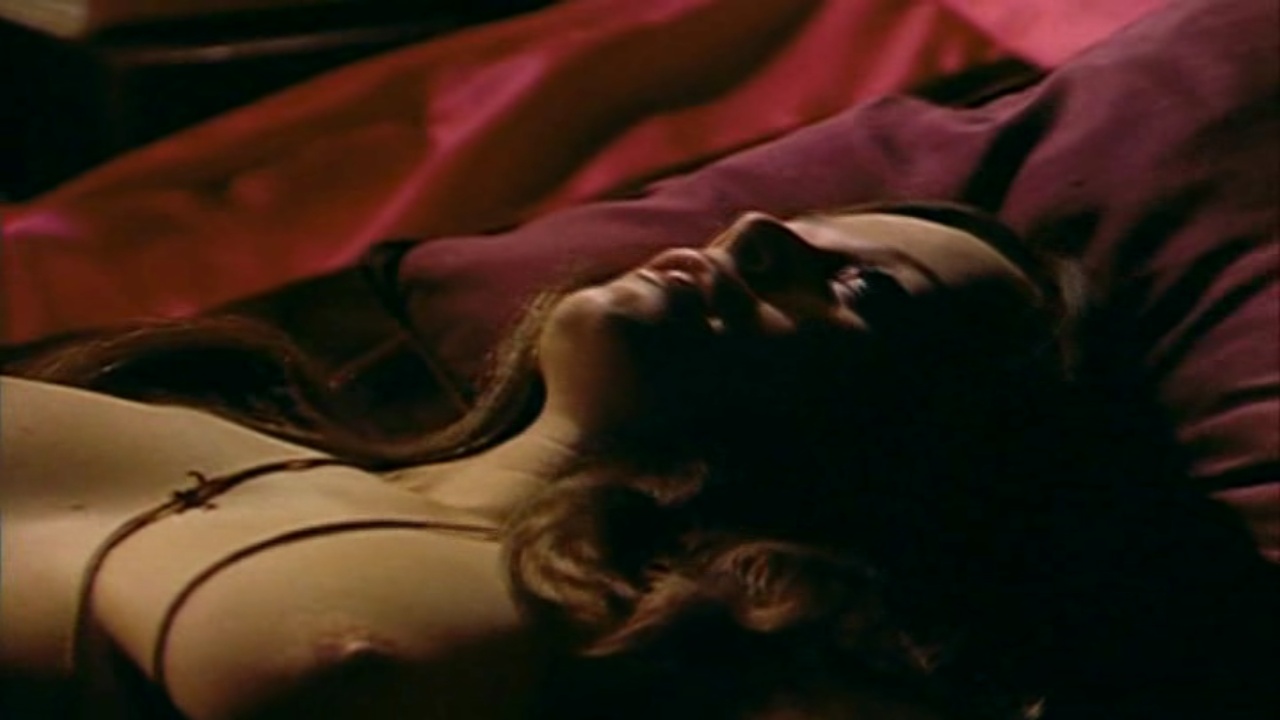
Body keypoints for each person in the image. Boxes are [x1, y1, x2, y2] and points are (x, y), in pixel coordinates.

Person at [1, 204, 1273, 720]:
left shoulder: (687, 659)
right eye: (800, 223)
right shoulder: (237, 415)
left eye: (861, 290)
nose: (757, 232)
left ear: (902, 445)